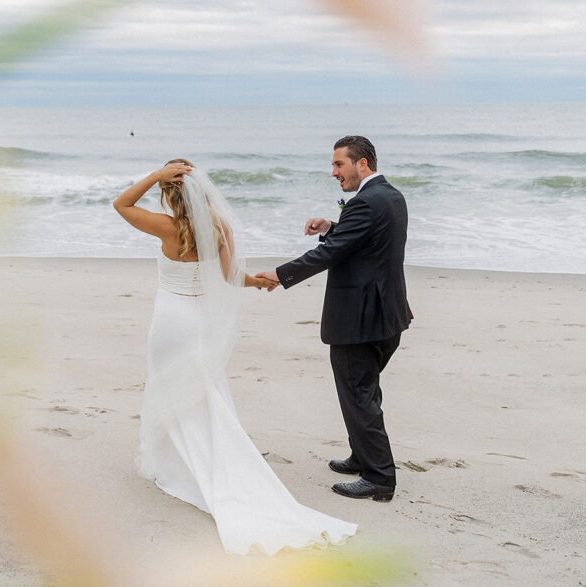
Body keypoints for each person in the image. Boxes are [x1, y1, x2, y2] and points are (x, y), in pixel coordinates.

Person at [113, 159, 357, 554]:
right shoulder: (218, 228)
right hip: (195, 322)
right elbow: (228, 277)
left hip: (169, 322)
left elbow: (121, 205)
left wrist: (155, 176)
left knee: (166, 385)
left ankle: (178, 464)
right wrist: (259, 282)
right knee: (203, 391)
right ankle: (207, 460)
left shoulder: (166, 227)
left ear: (168, 196)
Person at [257, 136, 412, 502]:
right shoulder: (390, 197)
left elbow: (332, 254)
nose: (333, 172)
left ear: (362, 164)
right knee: (365, 389)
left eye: (339, 164)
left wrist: (282, 275)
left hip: (360, 320)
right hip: (388, 315)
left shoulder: (365, 203)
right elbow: (363, 240)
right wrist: (330, 225)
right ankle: (363, 456)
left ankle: (379, 477)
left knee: (358, 394)